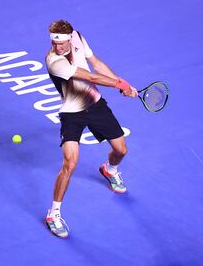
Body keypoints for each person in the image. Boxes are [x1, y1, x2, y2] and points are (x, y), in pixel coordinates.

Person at [44, 20, 137, 238]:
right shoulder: (53, 61)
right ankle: (53, 214)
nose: (57, 47)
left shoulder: (78, 37)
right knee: (70, 163)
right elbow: (91, 77)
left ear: (70, 38)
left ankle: (109, 170)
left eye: (62, 43)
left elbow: (96, 64)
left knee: (121, 150)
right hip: (72, 112)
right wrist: (119, 86)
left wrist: (122, 81)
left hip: (95, 104)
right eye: (53, 43)